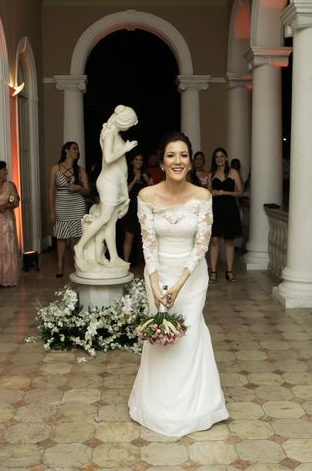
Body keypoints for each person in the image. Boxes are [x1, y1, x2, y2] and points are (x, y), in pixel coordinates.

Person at [128, 131, 228, 437]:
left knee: (190, 332)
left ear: (191, 160)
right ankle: (156, 405)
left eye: (183, 155)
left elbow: (202, 244)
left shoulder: (202, 197)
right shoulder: (146, 196)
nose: (178, 161)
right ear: (162, 160)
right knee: (160, 337)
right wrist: (157, 285)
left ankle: (195, 407)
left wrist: (180, 284)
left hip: (191, 276)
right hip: (158, 273)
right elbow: (148, 244)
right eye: (171, 155)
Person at [73, 105, 138, 274]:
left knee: (110, 222)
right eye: (130, 124)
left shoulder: (113, 133)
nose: (130, 128)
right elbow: (108, 158)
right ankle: (79, 247)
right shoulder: (109, 134)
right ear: (123, 121)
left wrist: (124, 191)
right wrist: (125, 149)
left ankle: (114, 256)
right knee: (104, 219)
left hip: (116, 183)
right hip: (108, 182)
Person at [48, 142, 90, 277]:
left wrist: (78, 188)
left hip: (77, 205)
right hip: (61, 205)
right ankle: (60, 265)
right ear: (66, 151)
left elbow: (88, 191)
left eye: (77, 149)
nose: (77, 151)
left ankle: (78, 263)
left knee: (78, 235)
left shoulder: (80, 170)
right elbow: (50, 190)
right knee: (61, 236)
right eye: (74, 149)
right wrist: (52, 211)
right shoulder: (55, 168)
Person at [208, 147, 243, 283]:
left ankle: (229, 272)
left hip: (230, 209)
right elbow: (207, 192)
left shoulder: (233, 172)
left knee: (229, 241)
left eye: (222, 156)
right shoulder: (211, 173)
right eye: (217, 157)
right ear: (214, 160)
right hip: (215, 209)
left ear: (226, 158)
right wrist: (213, 193)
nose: (219, 159)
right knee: (215, 240)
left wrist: (226, 193)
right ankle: (213, 272)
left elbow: (240, 192)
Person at [120, 150, 151, 262]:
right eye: (136, 159)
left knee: (145, 238)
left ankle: (148, 265)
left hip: (143, 209)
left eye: (141, 160)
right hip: (131, 209)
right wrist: (134, 180)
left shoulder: (146, 175)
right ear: (132, 162)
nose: (139, 162)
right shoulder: (126, 175)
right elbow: (124, 193)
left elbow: (153, 192)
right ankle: (126, 264)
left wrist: (148, 181)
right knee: (129, 237)